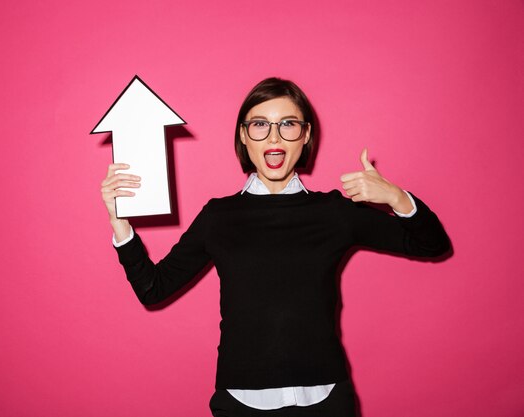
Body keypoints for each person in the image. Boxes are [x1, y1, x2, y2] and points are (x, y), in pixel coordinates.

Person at [100, 78, 450, 417]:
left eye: (288, 124)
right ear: (243, 135)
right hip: (240, 402)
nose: (274, 137)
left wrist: (395, 197)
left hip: (325, 399)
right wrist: (121, 224)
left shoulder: (333, 212)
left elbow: (432, 244)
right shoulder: (219, 217)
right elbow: (153, 288)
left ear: (306, 135)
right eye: (259, 125)